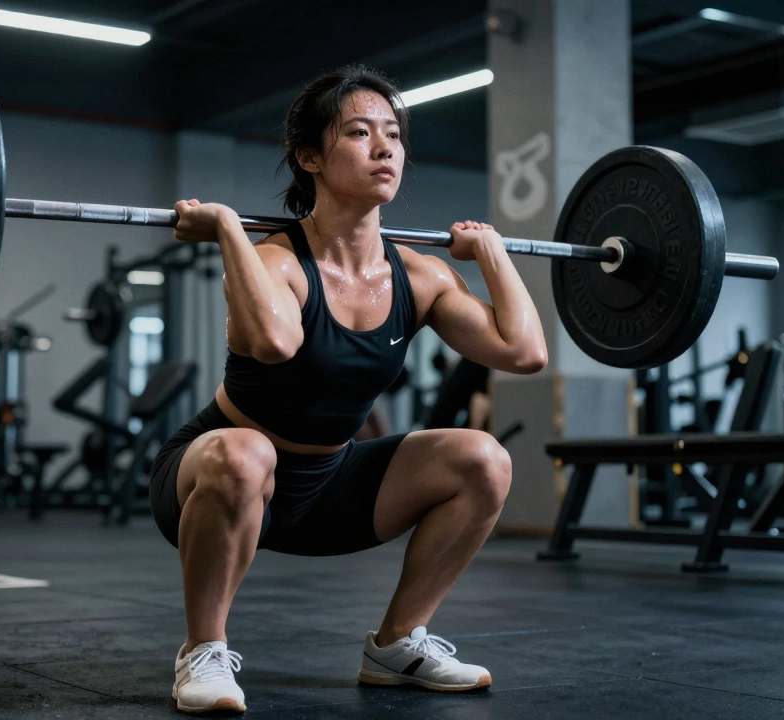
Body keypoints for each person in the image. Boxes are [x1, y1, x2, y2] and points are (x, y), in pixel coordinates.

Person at [150, 64, 548, 715]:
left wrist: (495, 255)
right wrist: (227, 231)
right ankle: (203, 651)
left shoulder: (419, 277)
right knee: (244, 452)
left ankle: (397, 645)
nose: (386, 147)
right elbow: (277, 344)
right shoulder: (277, 260)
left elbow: (524, 352)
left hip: (331, 486)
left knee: (484, 458)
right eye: (360, 133)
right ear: (310, 157)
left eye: (392, 133)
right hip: (218, 478)